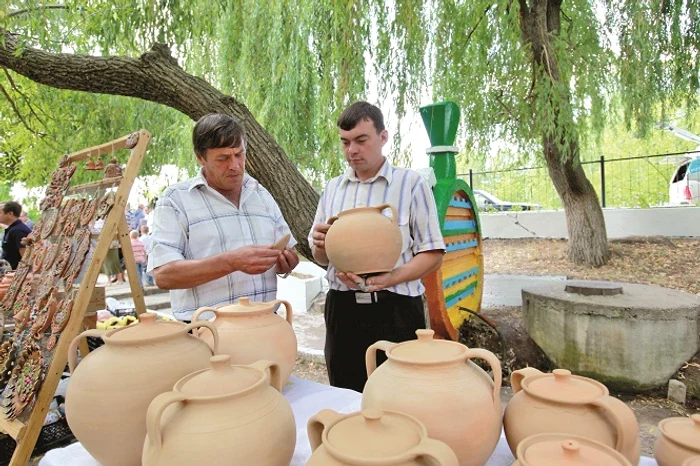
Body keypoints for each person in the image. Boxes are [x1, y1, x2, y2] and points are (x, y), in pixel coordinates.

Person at [309, 101, 446, 392]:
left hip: (395, 309)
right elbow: (321, 258)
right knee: (344, 393)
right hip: (342, 309)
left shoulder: (410, 184)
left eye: (361, 140)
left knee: (399, 394)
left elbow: (433, 254)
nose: (352, 151)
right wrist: (321, 246)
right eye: (345, 143)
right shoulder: (333, 188)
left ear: (383, 137)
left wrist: (390, 278)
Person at [148, 113, 299, 322]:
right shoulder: (176, 200)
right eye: (223, 158)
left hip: (265, 325)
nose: (235, 165)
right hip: (206, 331)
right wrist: (231, 261)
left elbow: (287, 251)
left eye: (239, 154)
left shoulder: (260, 193)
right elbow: (164, 275)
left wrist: (286, 263)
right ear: (200, 157)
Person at [1, 202, 32, 269]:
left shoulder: (18, 231)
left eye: (0, 213)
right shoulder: (12, 229)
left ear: (10, 214)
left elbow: (26, 258)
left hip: (15, 274)